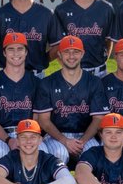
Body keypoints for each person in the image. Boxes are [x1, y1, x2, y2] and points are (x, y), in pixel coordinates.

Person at [34, 36, 106, 165]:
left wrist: (82, 142)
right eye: (67, 52)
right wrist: (65, 140)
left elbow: (99, 119)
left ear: (82, 54)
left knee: (94, 152)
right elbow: (43, 120)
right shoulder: (47, 83)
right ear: (59, 54)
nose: (71, 56)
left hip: (86, 136)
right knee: (59, 154)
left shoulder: (94, 82)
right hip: (56, 137)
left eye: (76, 52)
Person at [0, 32, 43, 164]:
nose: (16, 53)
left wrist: (27, 138)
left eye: (20, 49)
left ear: (26, 52)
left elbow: (37, 118)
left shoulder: (36, 83)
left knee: (43, 155)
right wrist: (9, 140)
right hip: (2, 136)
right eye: (11, 49)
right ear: (3, 53)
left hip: (30, 133)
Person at [51, 0, 115, 78]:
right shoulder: (62, 10)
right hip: (71, 73)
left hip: (99, 73)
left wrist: (102, 61)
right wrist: (67, 68)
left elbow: (108, 41)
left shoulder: (106, 8)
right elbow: (58, 46)